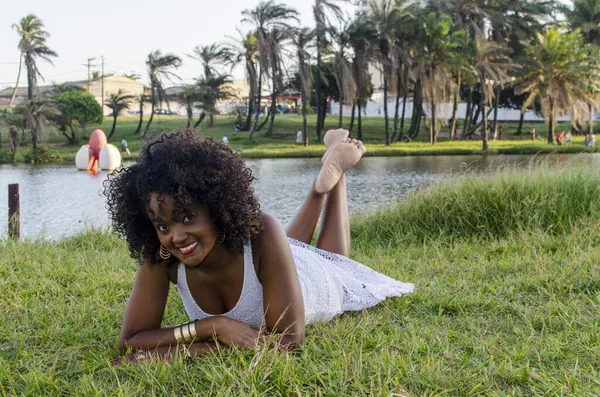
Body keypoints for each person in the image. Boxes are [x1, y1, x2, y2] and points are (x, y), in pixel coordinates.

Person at [103, 129, 413, 364]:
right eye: (162, 225)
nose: (177, 236)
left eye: (187, 217)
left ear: (216, 206)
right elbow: (130, 341)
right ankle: (321, 184)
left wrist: (176, 351)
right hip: (274, 261)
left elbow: (287, 342)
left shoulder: (261, 229)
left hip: (312, 283)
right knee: (285, 245)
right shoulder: (162, 253)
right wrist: (213, 327)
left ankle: (335, 179)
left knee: (331, 261)